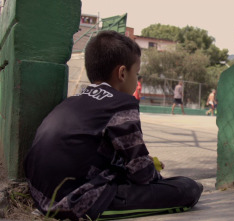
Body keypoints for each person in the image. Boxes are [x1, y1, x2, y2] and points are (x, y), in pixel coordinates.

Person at [24, 31, 202, 221]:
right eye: (137, 73)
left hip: (39, 193)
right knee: (188, 188)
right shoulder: (121, 104)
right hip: (73, 202)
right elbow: (142, 174)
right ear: (122, 73)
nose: (137, 79)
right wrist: (150, 169)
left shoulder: (72, 100)